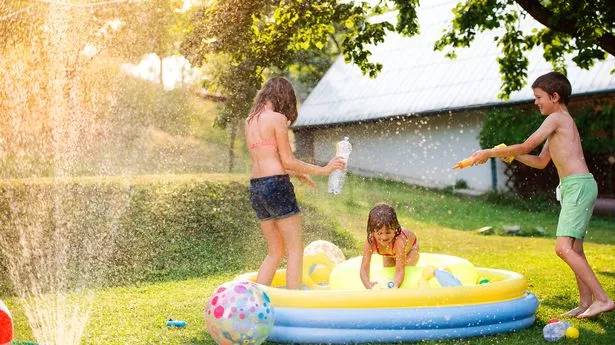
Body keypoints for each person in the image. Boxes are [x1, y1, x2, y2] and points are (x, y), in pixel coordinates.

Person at [469, 71, 614, 318]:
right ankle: (586, 302)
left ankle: (603, 299)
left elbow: (527, 145)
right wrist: (511, 154)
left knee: (563, 248)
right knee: (575, 249)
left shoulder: (556, 118)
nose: (536, 102)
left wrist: (490, 152)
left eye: (539, 97)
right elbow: (540, 160)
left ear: (554, 97)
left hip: (578, 186)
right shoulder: (561, 121)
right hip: (574, 187)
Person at [246, 76, 345, 290]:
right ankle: (294, 300)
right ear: (284, 98)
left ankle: (255, 297)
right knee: (294, 249)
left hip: (256, 187)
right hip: (276, 186)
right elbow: (287, 160)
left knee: (275, 250)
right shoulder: (277, 118)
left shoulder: (250, 121)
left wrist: (297, 173)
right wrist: (324, 169)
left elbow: (269, 159)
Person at [360, 203, 419, 289]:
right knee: (388, 271)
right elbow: (364, 268)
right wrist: (368, 285)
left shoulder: (399, 242)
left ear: (395, 229)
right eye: (380, 233)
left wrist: (394, 286)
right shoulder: (370, 241)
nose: (384, 237)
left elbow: (400, 270)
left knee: (406, 269)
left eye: (388, 232)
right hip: (390, 252)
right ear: (372, 231)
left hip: (411, 248)